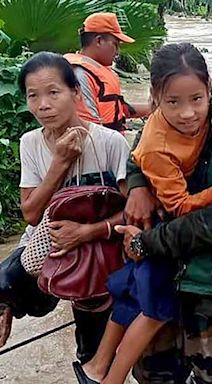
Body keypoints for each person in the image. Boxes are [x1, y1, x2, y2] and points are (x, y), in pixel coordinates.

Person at [74, 43, 212, 384]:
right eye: (173, 102)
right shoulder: (157, 144)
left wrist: (137, 182)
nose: (187, 113)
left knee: (131, 297)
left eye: (197, 99)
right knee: (154, 311)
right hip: (162, 234)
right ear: (155, 97)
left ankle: (97, 366)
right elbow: (179, 205)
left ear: (209, 88)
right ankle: (110, 378)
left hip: (170, 242)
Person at [0, 52, 130, 362]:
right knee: (4, 284)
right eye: (33, 96)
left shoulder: (110, 143)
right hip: (48, 246)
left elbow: (135, 212)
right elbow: (31, 215)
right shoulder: (31, 143)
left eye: (53, 92)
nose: (43, 104)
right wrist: (59, 163)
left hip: (98, 249)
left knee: (94, 349)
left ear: (75, 92)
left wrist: (87, 232)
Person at [64, 12, 150, 131]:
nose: (118, 52)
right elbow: (88, 128)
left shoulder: (97, 71)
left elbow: (120, 108)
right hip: (98, 146)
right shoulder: (80, 74)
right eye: (115, 44)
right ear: (99, 41)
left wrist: (156, 108)